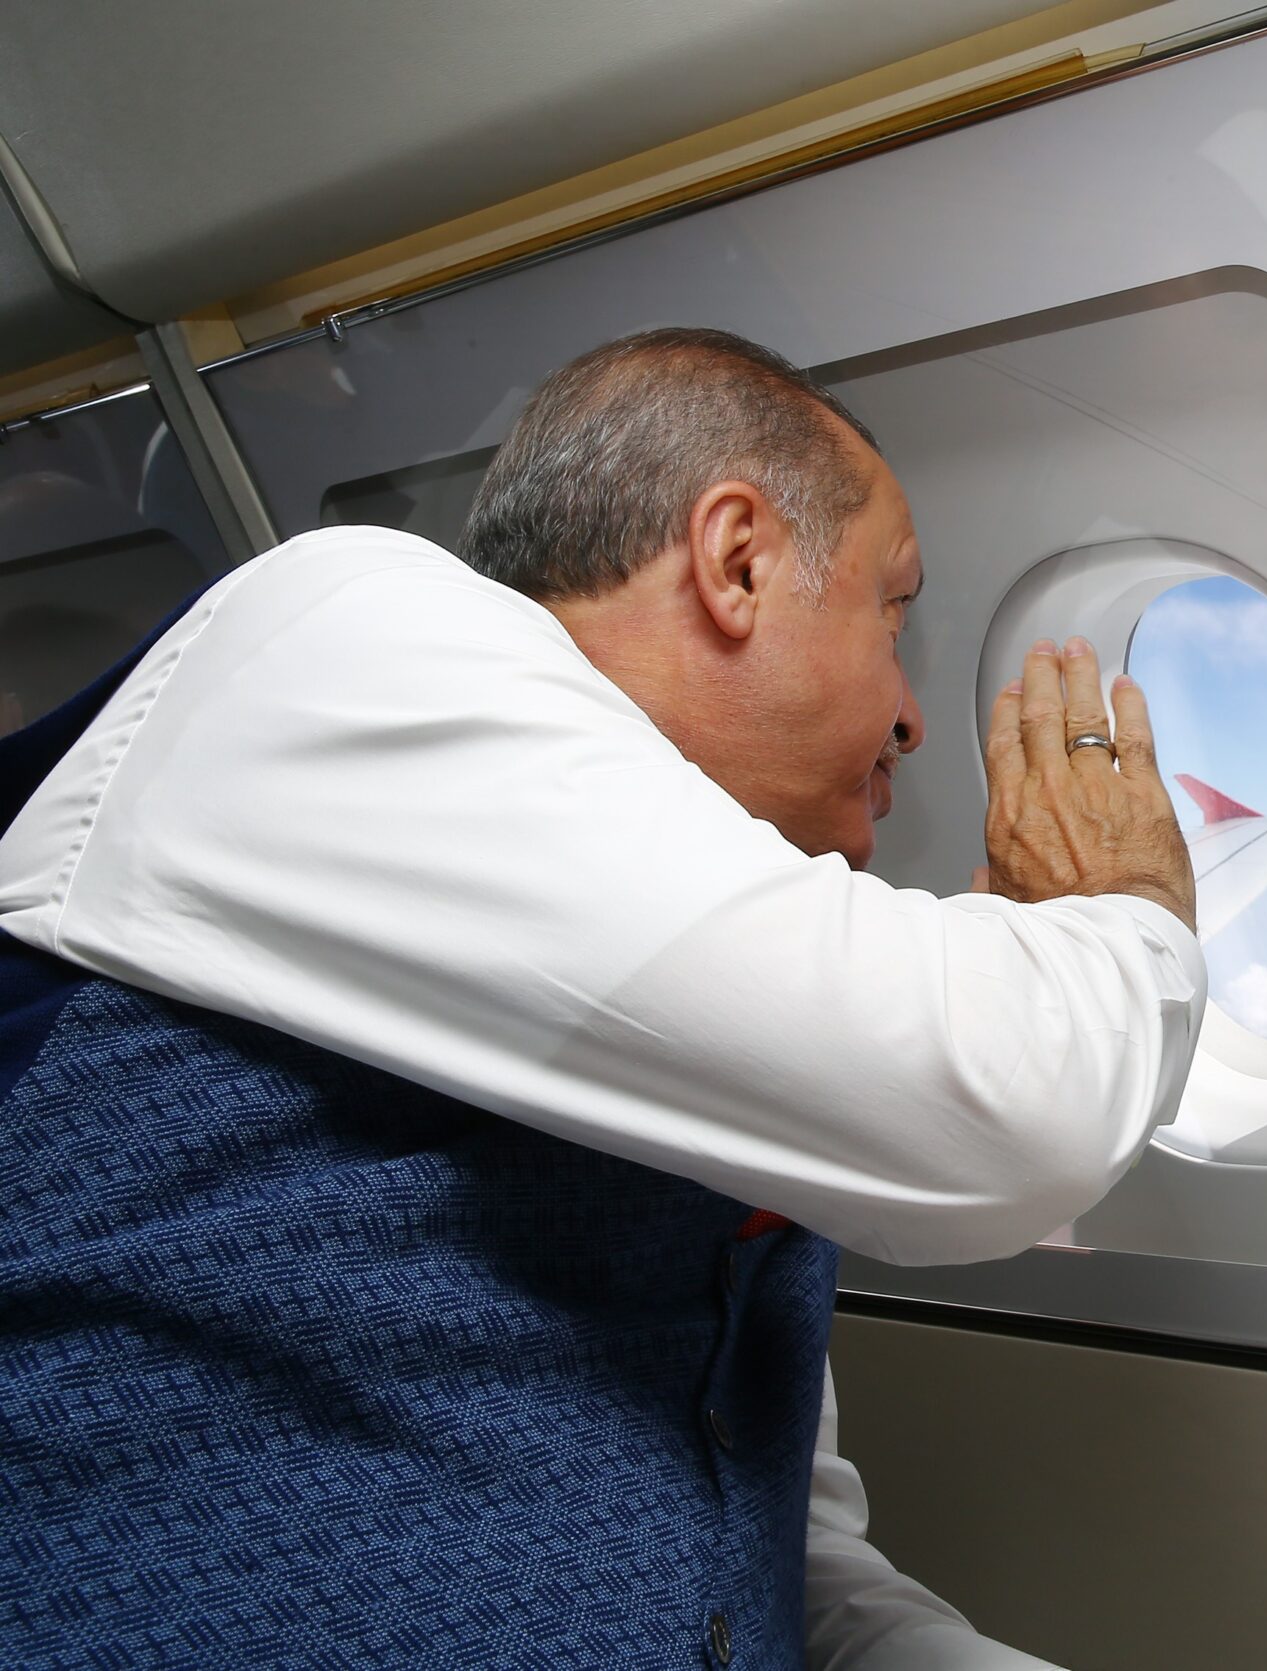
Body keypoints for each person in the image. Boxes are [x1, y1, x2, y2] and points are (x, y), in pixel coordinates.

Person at [0, 327, 1203, 1668]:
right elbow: (1016, 1110)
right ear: (738, 560)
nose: (915, 716)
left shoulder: (685, 1016)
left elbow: (761, 1563)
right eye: (892, 610)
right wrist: (1127, 910)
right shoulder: (356, 636)